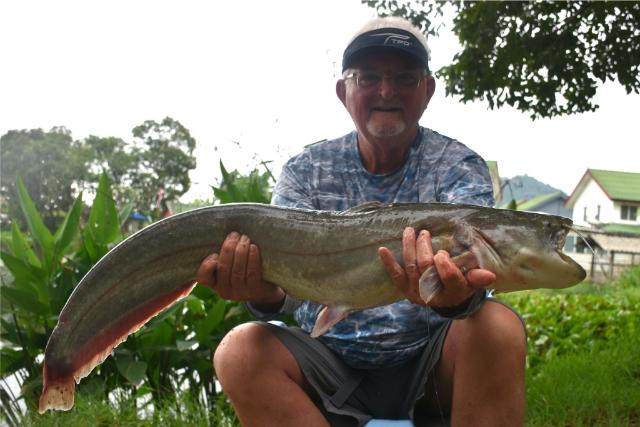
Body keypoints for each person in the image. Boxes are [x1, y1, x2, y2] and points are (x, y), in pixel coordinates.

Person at [196, 17, 526, 427]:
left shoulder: (459, 165)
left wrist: (453, 296)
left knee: (497, 326)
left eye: (404, 78)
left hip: (433, 364)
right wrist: (263, 294)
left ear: (427, 90)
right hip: (328, 367)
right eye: (368, 77)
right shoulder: (305, 170)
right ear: (343, 92)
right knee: (239, 350)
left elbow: (474, 279)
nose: (386, 91)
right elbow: (289, 297)